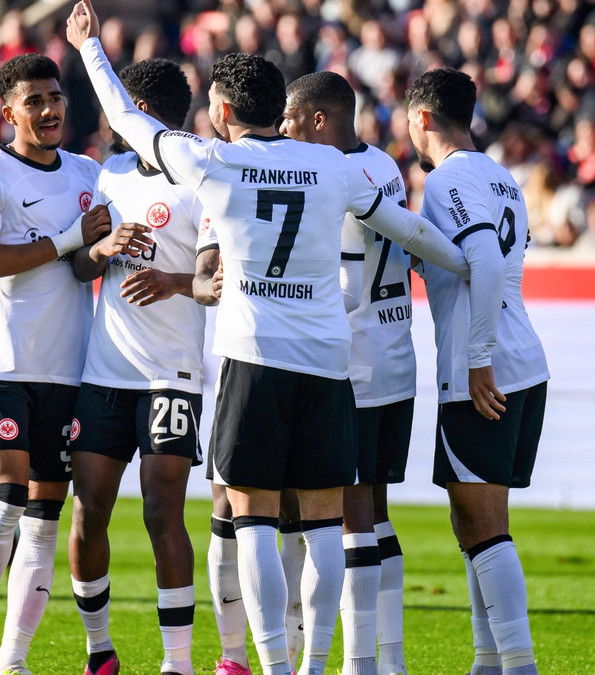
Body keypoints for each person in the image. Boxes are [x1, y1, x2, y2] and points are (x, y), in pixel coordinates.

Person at [67, 5, 470, 675]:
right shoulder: (334, 168)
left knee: (251, 521)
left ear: (222, 110)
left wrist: (88, 49)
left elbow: (129, 121)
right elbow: (410, 231)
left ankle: (275, 667)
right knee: (322, 526)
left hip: (254, 360)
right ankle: (315, 666)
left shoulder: (211, 162)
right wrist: (470, 264)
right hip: (327, 367)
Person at [0, 53, 107, 675]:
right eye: (33, 101)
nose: (49, 111)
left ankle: (13, 662)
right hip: (6, 361)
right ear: (8, 111)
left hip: (69, 367)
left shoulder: (88, 171)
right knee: (7, 496)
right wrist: (71, 239)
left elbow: (84, 268)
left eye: (55, 98)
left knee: (44, 522)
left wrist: (100, 247)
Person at [403, 67, 550, 675]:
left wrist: (479, 357)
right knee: (479, 523)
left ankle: (516, 665)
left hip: (486, 369)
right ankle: (488, 662)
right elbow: (495, 258)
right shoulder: (500, 177)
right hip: (524, 358)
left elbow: (485, 259)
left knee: (483, 526)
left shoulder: (450, 177)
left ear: (422, 119)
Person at [65, 58, 203, 675]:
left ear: (140, 113)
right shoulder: (108, 174)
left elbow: (219, 280)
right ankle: (100, 650)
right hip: (105, 373)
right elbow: (78, 267)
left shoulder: (202, 176)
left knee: (160, 513)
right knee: (89, 511)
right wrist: (101, 247)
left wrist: (173, 280)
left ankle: (177, 664)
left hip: (171, 373)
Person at [278, 70, 413, 675]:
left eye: (290, 119)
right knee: (377, 511)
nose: (283, 129)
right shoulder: (385, 165)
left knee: (348, 513)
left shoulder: (337, 177)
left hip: (350, 366)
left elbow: (347, 287)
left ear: (319, 120)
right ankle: (391, 660)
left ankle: (358, 664)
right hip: (395, 359)